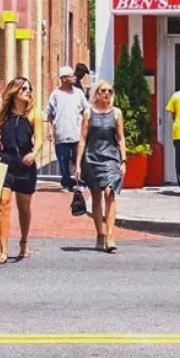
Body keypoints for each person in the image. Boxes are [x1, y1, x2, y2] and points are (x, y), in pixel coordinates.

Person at [0, 77, 43, 265]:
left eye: (29, 88)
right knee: (3, 204)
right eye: (24, 88)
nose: (28, 91)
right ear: (15, 92)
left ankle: (24, 241)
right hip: (5, 162)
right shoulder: (2, 112)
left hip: (25, 164)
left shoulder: (34, 113)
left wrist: (34, 154)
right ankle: (3, 251)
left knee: (24, 207)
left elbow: (40, 139)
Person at [76, 81, 126, 253]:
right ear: (96, 93)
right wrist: (78, 164)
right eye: (103, 90)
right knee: (96, 197)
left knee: (110, 193)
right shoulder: (88, 112)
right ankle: (100, 233)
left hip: (111, 157)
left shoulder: (117, 113)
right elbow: (83, 139)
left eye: (109, 91)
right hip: (92, 158)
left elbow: (120, 138)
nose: (106, 94)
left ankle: (111, 235)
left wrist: (123, 160)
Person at [46, 66, 89, 192]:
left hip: (76, 133)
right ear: (64, 79)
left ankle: (80, 182)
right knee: (63, 161)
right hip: (61, 133)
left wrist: (86, 126)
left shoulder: (79, 93)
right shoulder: (55, 94)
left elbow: (86, 110)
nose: (74, 78)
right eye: (71, 76)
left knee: (79, 160)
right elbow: (49, 113)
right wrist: (50, 129)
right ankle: (66, 183)